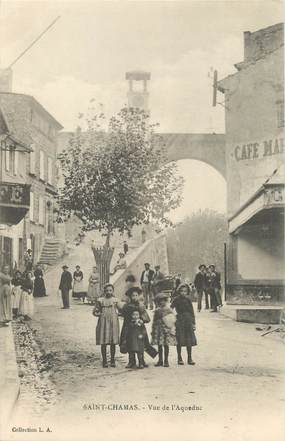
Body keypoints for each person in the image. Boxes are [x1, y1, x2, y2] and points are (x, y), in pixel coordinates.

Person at [120, 287, 150, 368]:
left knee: (141, 344)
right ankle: (131, 361)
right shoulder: (126, 306)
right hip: (129, 328)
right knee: (130, 343)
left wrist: (141, 320)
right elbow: (122, 314)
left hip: (139, 328)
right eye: (133, 295)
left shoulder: (141, 306)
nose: (135, 297)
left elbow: (147, 318)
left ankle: (142, 361)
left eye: (136, 295)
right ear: (130, 297)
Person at [92, 284, 121, 368]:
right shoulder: (100, 300)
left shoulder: (115, 300)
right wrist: (99, 314)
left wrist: (118, 314)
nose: (109, 292)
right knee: (103, 341)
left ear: (113, 291)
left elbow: (121, 309)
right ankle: (104, 360)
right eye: (107, 290)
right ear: (104, 291)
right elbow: (95, 311)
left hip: (113, 322)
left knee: (113, 341)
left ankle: (112, 360)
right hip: (103, 322)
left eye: (110, 290)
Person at [171, 283, 197, 365]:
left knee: (189, 340)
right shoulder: (176, 299)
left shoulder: (188, 300)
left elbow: (192, 312)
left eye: (185, 291)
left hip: (188, 320)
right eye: (182, 291)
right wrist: (173, 317)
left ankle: (189, 358)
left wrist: (193, 323)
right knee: (179, 339)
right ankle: (179, 358)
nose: (183, 293)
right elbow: (170, 309)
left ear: (187, 292)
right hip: (179, 321)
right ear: (179, 291)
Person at [151, 292, 176, 367]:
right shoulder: (157, 310)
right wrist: (153, 330)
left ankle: (166, 360)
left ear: (166, 301)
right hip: (158, 330)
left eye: (164, 300)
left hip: (166, 330)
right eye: (160, 301)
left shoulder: (169, 309)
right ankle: (160, 360)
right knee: (159, 345)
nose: (162, 302)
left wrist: (172, 328)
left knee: (166, 345)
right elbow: (154, 321)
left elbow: (172, 320)